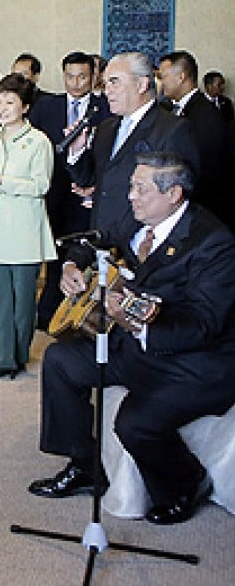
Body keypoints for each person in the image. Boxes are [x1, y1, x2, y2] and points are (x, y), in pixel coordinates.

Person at [29, 152, 235, 525]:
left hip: (194, 362)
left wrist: (138, 323)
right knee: (60, 361)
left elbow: (204, 324)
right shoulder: (140, 218)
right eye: (131, 186)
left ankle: (186, 482)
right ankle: (84, 463)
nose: (130, 196)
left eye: (140, 189)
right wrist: (71, 266)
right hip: (133, 344)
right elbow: (97, 238)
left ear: (173, 194)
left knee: (133, 423)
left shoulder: (214, 243)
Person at [0, 74, 56, 380]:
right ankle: (0, 359)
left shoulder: (38, 141)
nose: (2, 108)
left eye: (10, 102)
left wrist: (2, 181)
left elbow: (41, 185)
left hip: (24, 228)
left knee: (23, 302)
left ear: (25, 106)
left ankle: (18, 355)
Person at [66, 51, 201, 236]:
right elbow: (90, 181)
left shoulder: (173, 129)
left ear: (142, 84)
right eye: (105, 83)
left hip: (143, 242)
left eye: (114, 82)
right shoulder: (106, 128)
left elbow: (180, 197)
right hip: (102, 235)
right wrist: (77, 151)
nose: (107, 90)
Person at [28, 51, 110, 330]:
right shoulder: (47, 106)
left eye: (82, 76)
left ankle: (78, 311)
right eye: (70, 76)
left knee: (80, 252)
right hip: (51, 191)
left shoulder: (105, 108)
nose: (75, 83)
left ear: (93, 77)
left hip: (86, 193)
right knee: (52, 252)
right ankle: (48, 307)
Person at [157, 50, 234, 231]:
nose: (161, 83)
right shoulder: (173, 110)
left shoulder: (204, 115)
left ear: (181, 77)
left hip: (202, 210)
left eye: (164, 76)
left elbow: (208, 169)